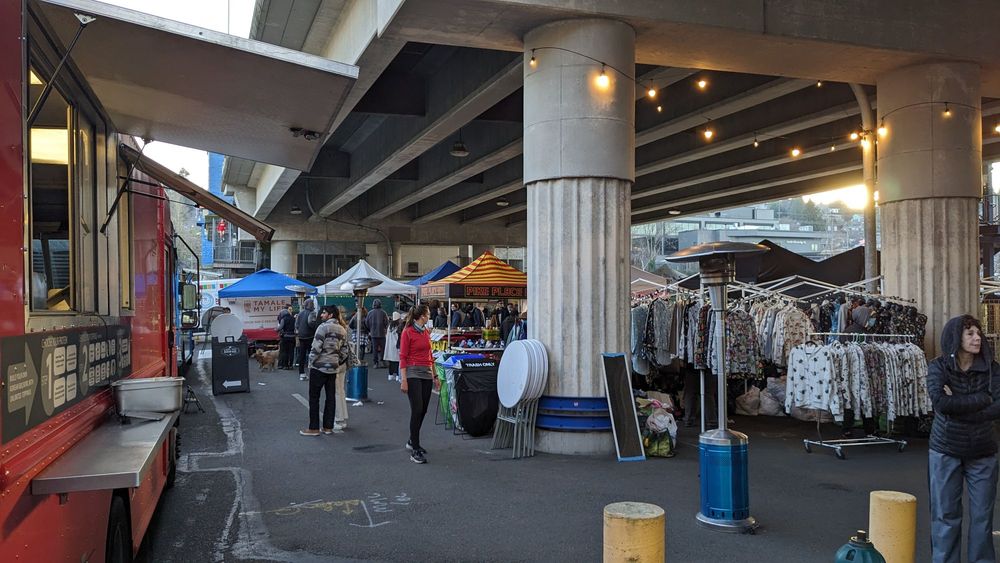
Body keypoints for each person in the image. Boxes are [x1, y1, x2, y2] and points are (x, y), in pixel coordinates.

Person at [927, 315, 1000, 563]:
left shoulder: (993, 368)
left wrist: (957, 408)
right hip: (945, 449)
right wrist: (982, 400)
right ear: (955, 336)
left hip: (983, 451)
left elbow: (998, 406)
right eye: (969, 333)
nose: (977, 337)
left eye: (978, 333)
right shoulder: (938, 366)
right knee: (945, 515)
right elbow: (940, 402)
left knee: (982, 517)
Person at [300, 306, 350, 437]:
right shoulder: (342, 330)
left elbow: (316, 348)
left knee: (314, 398)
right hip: (333, 368)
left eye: (324, 313)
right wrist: (336, 361)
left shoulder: (322, 328)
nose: (321, 315)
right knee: (330, 397)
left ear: (330, 315)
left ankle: (314, 428)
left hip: (319, 367)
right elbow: (345, 352)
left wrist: (311, 362)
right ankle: (328, 427)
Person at [399, 305, 438, 464]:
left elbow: (430, 354)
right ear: (421, 316)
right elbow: (403, 356)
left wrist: (435, 375)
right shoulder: (407, 332)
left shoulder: (426, 332)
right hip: (413, 372)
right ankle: (415, 448)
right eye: (428, 314)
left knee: (423, 409)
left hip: (427, 372)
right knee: (417, 409)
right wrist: (404, 379)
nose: (429, 316)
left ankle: (411, 440)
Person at [296, 298, 319, 381]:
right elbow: (311, 323)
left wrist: (299, 332)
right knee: (312, 354)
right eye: (312, 303)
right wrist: (315, 327)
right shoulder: (312, 313)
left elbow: (297, 325)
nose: (313, 305)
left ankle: (301, 373)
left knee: (301, 355)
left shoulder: (300, 313)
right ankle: (312, 372)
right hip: (310, 336)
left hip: (301, 337)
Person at [366, 300, 390, 368]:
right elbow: (387, 323)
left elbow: (366, 323)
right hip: (382, 333)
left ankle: (375, 363)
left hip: (373, 334)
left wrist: (370, 329)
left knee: (374, 349)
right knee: (383, 348)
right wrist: (385, 329)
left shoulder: (370, 313)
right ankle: (382, 361)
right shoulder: (383, 313)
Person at [384, 311, 403, 382]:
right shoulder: (398, 326)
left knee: (391, 362)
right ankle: (398, 375)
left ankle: (390, 375)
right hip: (396, 346)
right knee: (398, 362)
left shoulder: (390, 326)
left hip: (389, 346)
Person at [277, 305, 296, 369]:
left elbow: (280, 327)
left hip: (285, 337)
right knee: (291, 352)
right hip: (292, 337)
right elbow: (296, 327)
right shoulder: (293, 318)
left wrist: (276, 329)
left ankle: (285, 366)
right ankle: (291, 365)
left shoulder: (283, 319)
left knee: (285, 351)